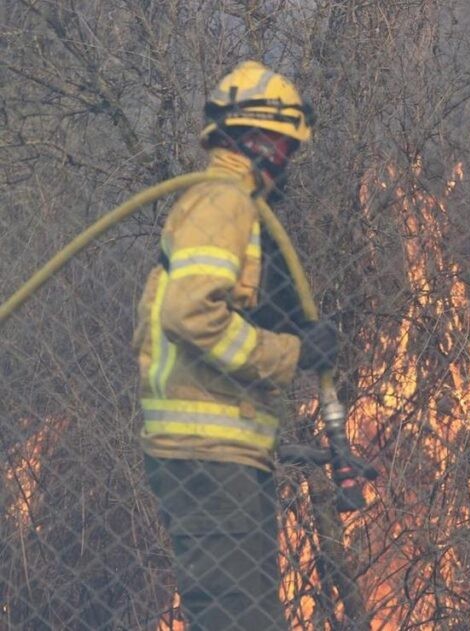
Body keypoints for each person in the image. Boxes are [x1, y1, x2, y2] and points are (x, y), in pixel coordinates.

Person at [132, 60, 338, 630]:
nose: (288, 162)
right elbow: (189, 313)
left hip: (222, 448)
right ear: (260, 142)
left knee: (245, 616)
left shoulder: (234, 205)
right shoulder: (223, 201)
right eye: (287, 147)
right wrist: (292, 355)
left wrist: (292, 334)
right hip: (206, 450)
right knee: (236, 619)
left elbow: (221, 311)